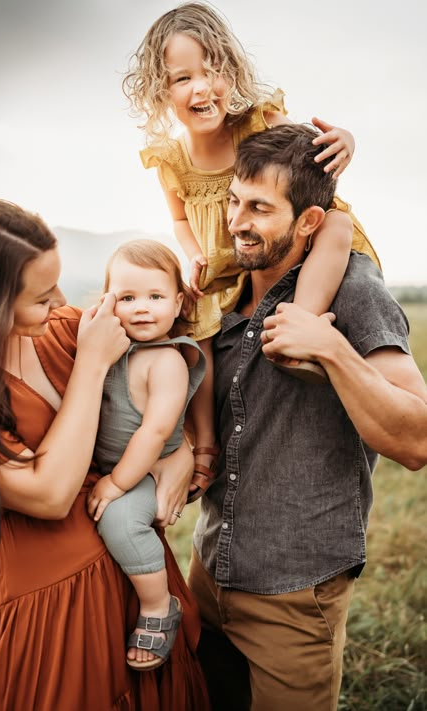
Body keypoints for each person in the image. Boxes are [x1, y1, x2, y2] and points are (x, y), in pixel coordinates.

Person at [186, 123, 427, 711]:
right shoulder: (226, 289)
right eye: (235, 202)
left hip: (295, 595)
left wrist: (330, 348)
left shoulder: (353, 290)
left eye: (260, 209)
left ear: (309, 222)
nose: (237, 221)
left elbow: (417, 439)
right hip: (208, 571)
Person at [0, 198, 210, 711]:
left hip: (130, 571)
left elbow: (169, 361)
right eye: (43, 296)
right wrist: (91, 364)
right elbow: (49, 494)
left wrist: (189, 453)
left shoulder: (67, 325)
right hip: (44, 597)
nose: (64, 301)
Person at [122, 1, 381, 501]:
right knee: (192, 318)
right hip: (228, 262)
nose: (201, 87)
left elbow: (314, 148)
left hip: (291, 240)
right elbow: (178, 218)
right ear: (160, 92)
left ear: (231, 70)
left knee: (339, 224)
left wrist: (346, 139)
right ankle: (205, 445)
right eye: (182, 78)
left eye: (213, 69)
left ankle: (296, 333)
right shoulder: (171, 159)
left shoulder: (256, 120)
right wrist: (195, 253)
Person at [86, 239, 206, 671]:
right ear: (107, 301)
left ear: (177, 303)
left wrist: (117, 483)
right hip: (111, 463)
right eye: (127, 297)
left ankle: (157, 605)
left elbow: (155, 432)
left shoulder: (166, 361)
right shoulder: (113, 347)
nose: (141, 308)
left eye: (155, 297)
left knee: (120, 520)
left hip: (146, 471)